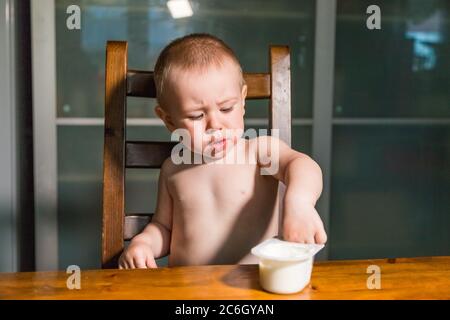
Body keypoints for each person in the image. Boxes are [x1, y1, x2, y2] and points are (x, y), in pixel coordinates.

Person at [119, 33, 326, 269]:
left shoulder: (258, 152)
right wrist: (144, 243)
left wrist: (299, 202)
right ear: (169, 120)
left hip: (253, 289)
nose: (215, 124)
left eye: (226, 108)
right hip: (186, 289)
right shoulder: (173, 168)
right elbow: (164, 227)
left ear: (243, 100)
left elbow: (302, 165)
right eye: (197, 115)